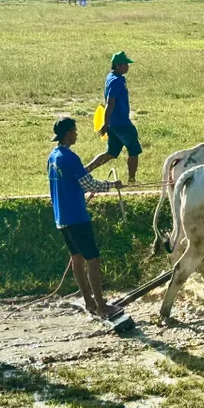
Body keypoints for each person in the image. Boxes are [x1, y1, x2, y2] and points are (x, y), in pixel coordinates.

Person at [47, 117, 123, 319]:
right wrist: (112, 185)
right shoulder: (70, 158)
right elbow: (89, 185)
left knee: (77, 258)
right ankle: (101, 306)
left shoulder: (53, 157)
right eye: (74, 130)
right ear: (67, 134)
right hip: (77, 217)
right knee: (93, 260)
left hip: (61, 218)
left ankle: (89, 302)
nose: (76, 134)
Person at [87, 51, 142, 183]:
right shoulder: (116, 81)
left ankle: (85, 171)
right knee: (134, 150)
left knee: (111, 153)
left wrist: (108, 124)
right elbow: (110, 104)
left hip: (114, 123)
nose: (128, 66)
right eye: (125, 64)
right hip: (121, 124)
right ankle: (132, 179)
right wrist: (105, 124)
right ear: (117, 65)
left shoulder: (113, 77)